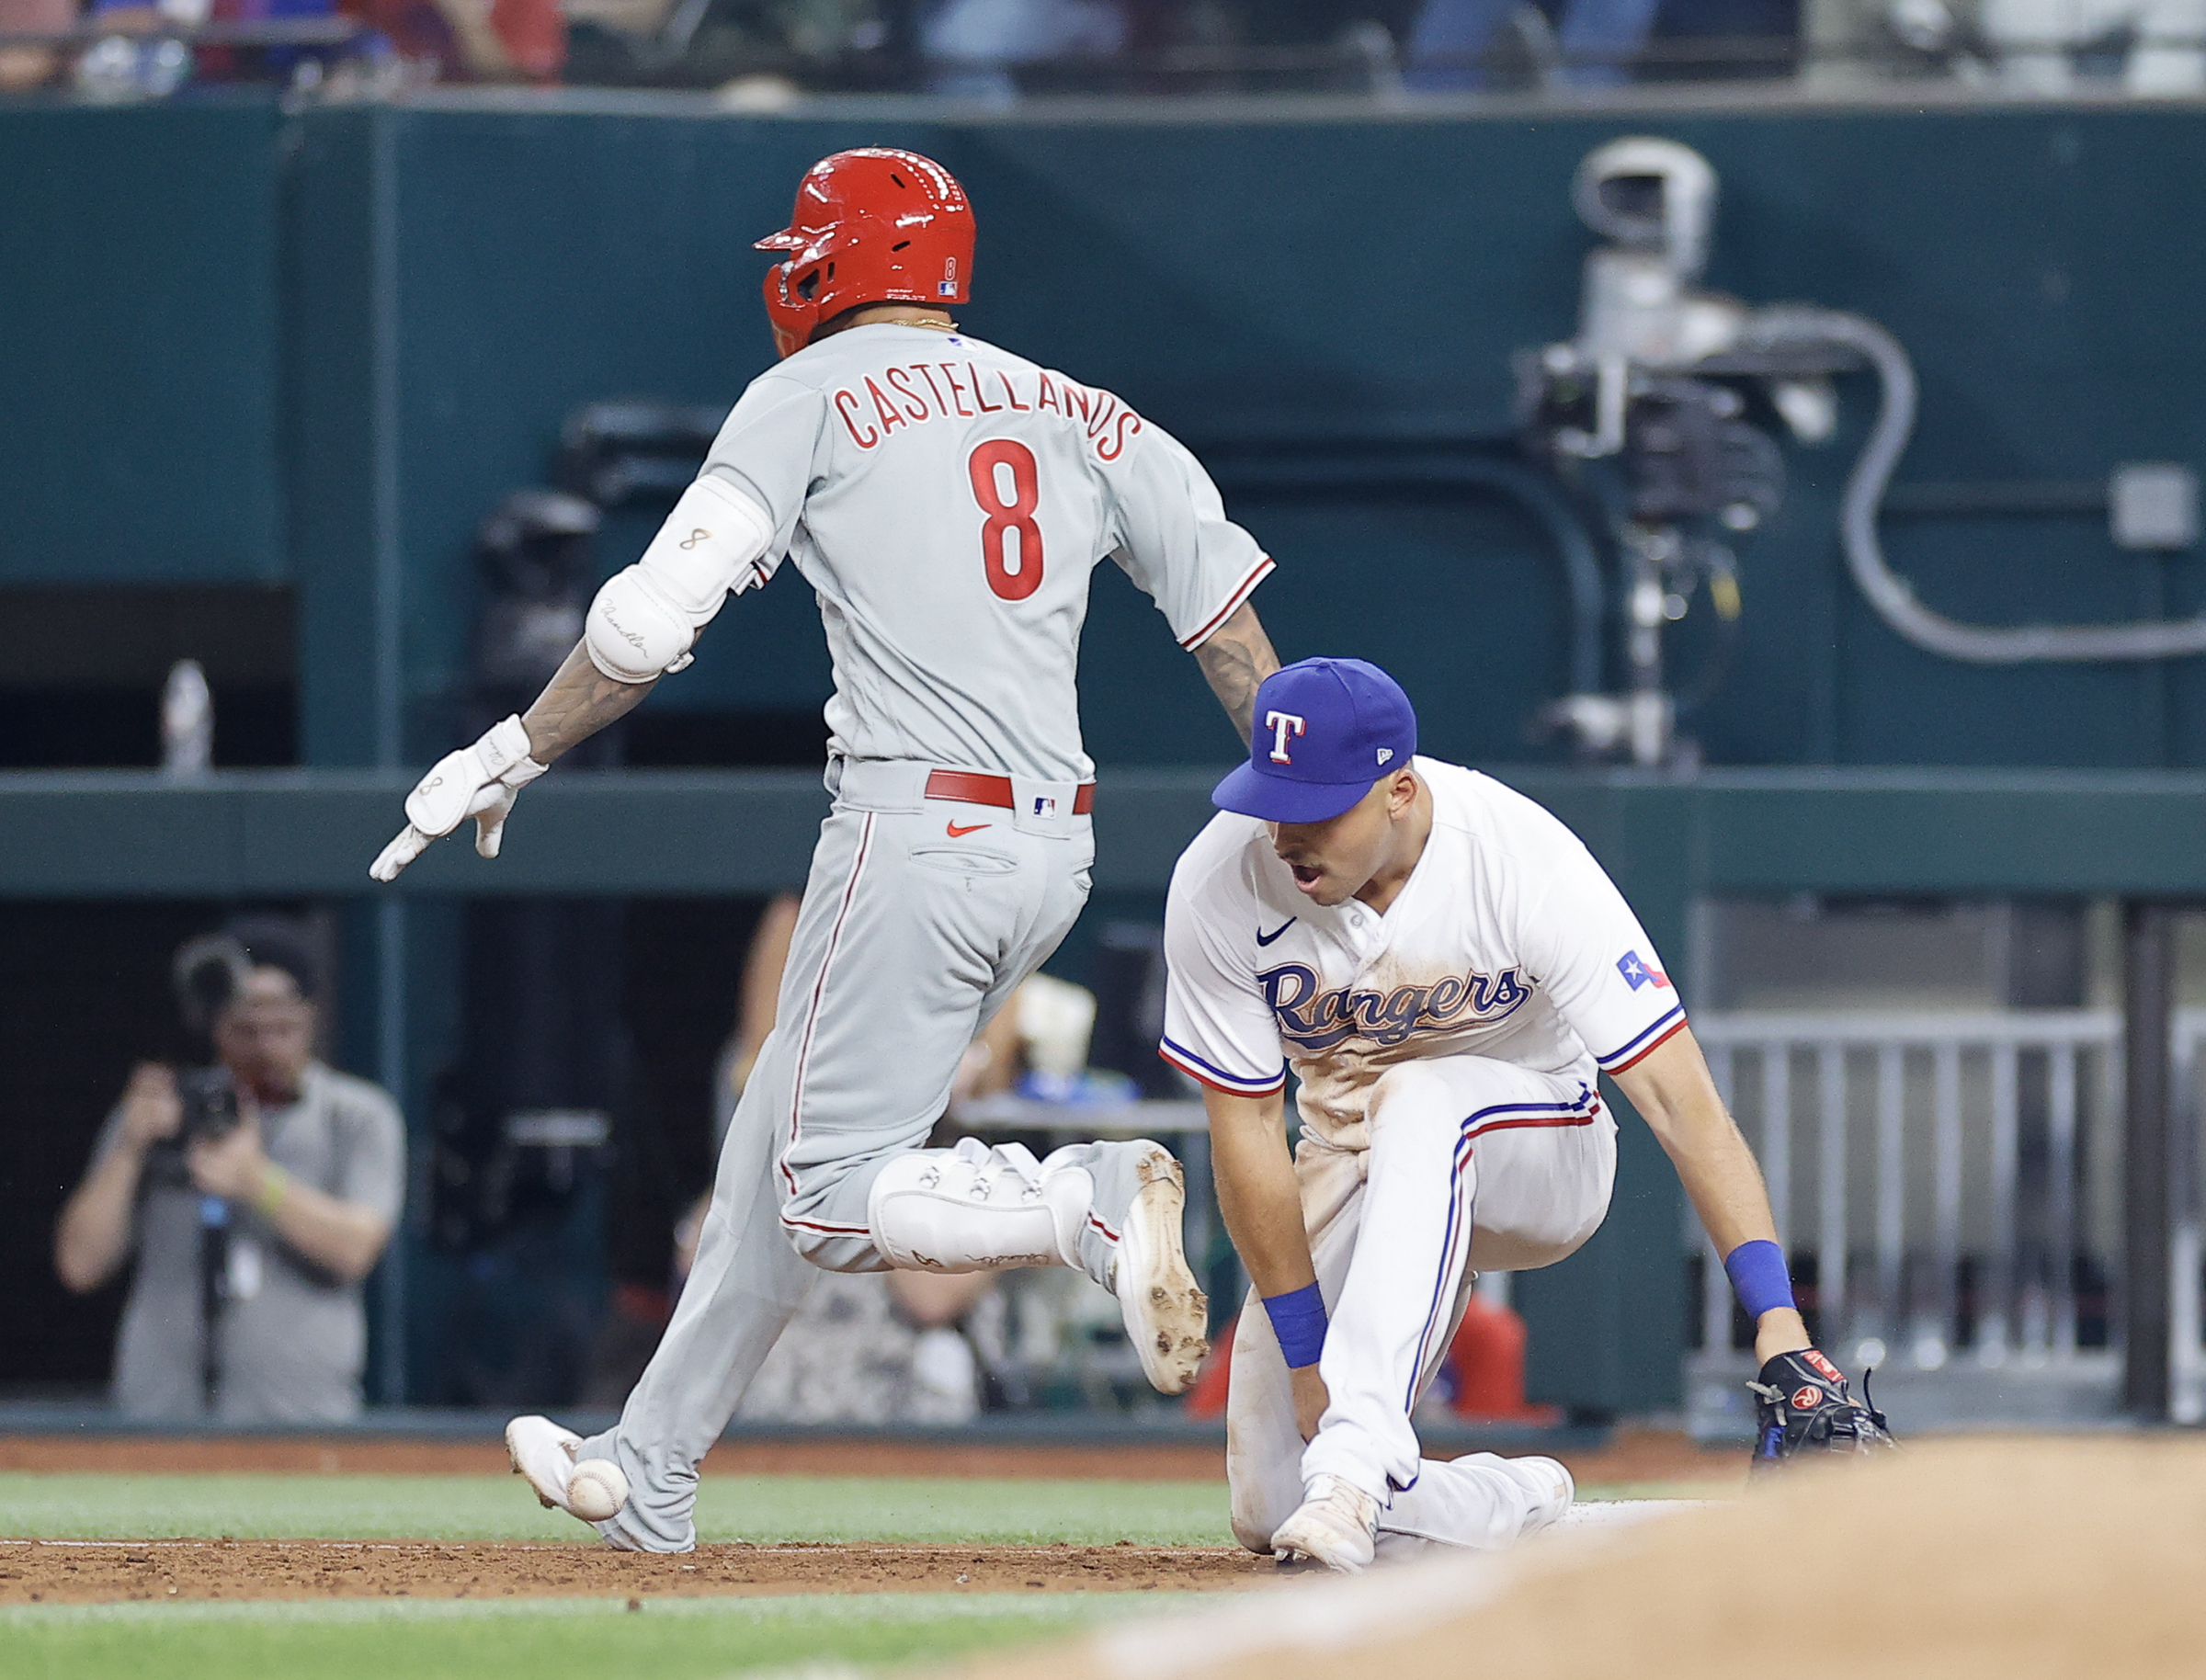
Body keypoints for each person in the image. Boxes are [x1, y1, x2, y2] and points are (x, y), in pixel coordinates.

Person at [368, 146, 1283, 1551]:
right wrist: (1300, 810)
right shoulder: (1086, 410)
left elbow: (640, 628)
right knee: (764, 1162)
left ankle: (1081, 1207)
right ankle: (653, 1473)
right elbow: (1227, 628)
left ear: (841, 260)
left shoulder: (805, 395)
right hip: (1056, 850)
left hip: (914, 827)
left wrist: (517, 747)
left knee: (824, 1189)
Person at [1160, 657, 1892, 1572]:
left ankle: (1354, 1464)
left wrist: (1777, 1313)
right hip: (1353, 1161)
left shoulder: (1518, 856)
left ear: (1399, 789)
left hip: (1543, 1147)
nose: (1286, 834)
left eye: (1318, 810)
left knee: (1424, 1096)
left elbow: (1679, 1099)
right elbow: (1248, 1134)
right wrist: (1309, 1356)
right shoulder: (1219, 881)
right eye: (1274, 801)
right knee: (1271, 1504)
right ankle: (1513, 1502)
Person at [52, 926, 405, 1424]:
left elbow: (355, 1250)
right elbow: (80, 1264)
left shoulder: (356, 1115)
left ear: (311, 1019)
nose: (264, 1047)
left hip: (301, 1416)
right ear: (216, 1026)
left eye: (281, 1028)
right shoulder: (167, 1110)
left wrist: (257, 1181)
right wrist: (130, 1149)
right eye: (246, 1028)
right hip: (162, 1411)